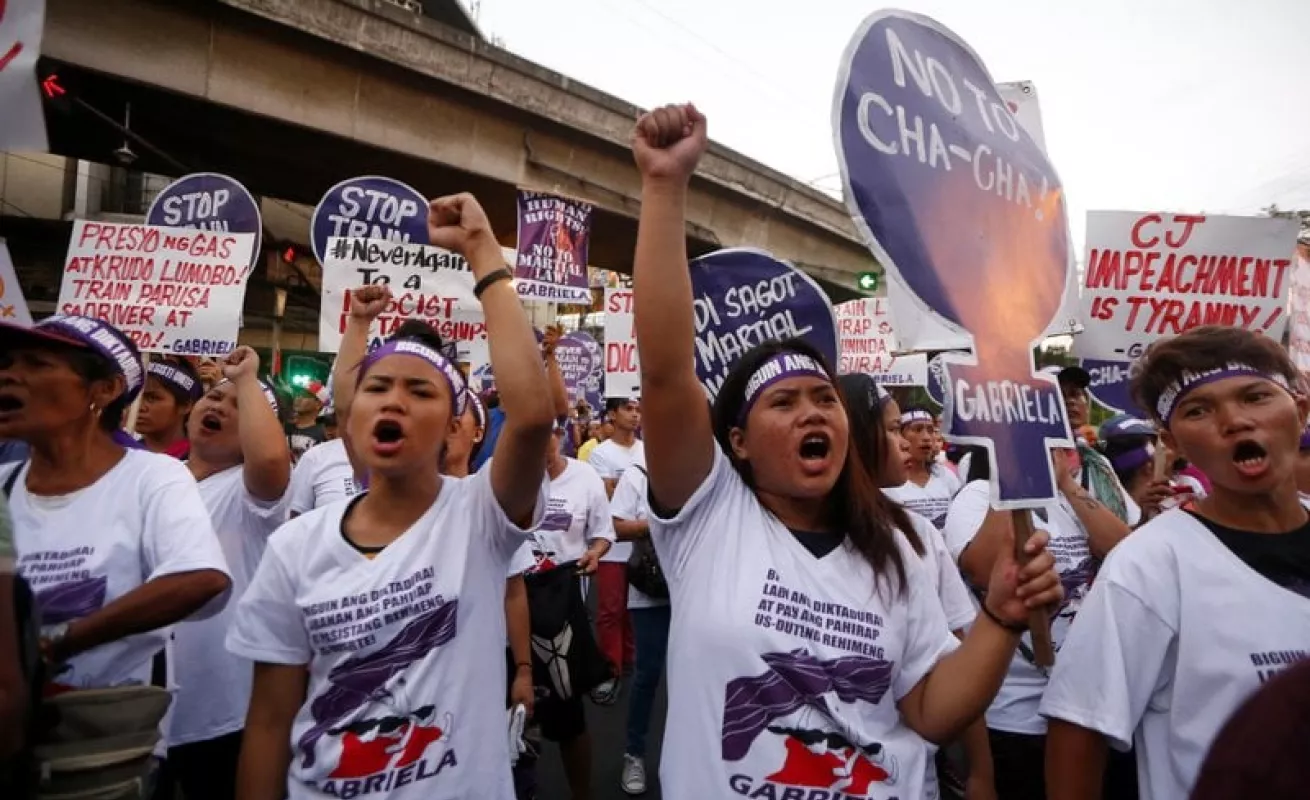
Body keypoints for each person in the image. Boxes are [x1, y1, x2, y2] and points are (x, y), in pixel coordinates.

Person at [629, 102, 1062, 800]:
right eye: (784, 402)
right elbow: (666, 372)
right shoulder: (709, 519)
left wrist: (1003, 617)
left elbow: (928, 712)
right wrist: (663, 186)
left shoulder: (908, 542)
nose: (813, 411)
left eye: (824, 398)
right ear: (736, 441)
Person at [226, 192, 555, 800]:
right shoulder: (296, 548)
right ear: (352, 418)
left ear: (458, 426)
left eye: (422, 392)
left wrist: (483, 250)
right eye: (378, 387)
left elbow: (533, 417)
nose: (395, 401)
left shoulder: (479, 520)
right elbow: (270, 722)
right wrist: (358, 325)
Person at [1041, 325, 1310, 800]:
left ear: (1301, 410)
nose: (1235, 421)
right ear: (1173, 443)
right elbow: (1078, 731)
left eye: (1255, 397)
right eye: (1199, 410)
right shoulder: (1148, 566)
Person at [0, 313, 232, 794]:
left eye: (39, 363)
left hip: (103, 751)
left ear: (103, 390)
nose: (9, 375)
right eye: (7, 362)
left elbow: (201, 577)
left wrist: (54, 645)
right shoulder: (3, 486)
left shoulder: (152, 477)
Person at [945, 439, 1131, 800]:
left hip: (1079, 710)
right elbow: (983, 571)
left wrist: (1067, 486)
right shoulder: (978, 495)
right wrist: (1015, 477)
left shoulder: (1066, 502)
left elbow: (1124, 552)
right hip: (1013, 716)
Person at [838, 374, 993, 799]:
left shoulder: (917, 535)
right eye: (893, 429)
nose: (906, 441)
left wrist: (980, 769)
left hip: (908, 774)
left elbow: (957, 645)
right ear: (854, 436)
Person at [165, 346, 292, 800]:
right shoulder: (158, 478)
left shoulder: (253, 498)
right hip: (144, 704)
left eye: (237, 404)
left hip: (222, 709)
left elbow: (273, 460)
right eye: (213, 396)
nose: (218, 404)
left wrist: (246, 378)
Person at [519, 421, 615, 800]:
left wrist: (595, 553)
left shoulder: (585, 477)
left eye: (547, 435)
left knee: (568, 713)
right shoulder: (504, 473)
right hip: (512, 599)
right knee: (515, 713)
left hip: (563, 605)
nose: (541, 445)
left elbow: (604, 533)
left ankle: (581, 794)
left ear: (559, 436)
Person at [610, 450, 667, 796]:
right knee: (647, 675)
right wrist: (659, 524)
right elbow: (615, 527)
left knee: (698, 678)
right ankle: (635, 752)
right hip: (650, 593)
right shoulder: (637, 475)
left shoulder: (702, 472)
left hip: (695, 591)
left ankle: (694, 754)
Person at [587, 396, 642, 704]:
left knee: (635, 610)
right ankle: (611, 669)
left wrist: (623, 486)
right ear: (612, 414)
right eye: (628, 409)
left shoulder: (647, 451)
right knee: (610, 611)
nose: (635, 415)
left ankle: (631, 663)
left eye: (637, 410)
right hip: (611, 544)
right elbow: (608, 494)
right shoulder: (601, 453)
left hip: (642, 549)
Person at [1046, 365, 1140, 526]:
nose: (1070, 401)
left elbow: (1127, 528)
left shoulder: (1099, 464)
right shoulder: (1022, 465)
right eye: (1059, 394)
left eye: (1075, 394)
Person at [1097, 414, 1190, 519]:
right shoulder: (1175, 508)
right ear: (1148, 466)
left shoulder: (1097, 509)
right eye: (1158, 445)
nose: (1164, 450)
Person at [884, 406, 961, 528]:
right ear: (900, 436)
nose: (926, 437)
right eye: (917, 429)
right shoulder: (888, 482)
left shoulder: (947, 477)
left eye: (930, 430)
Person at [136, 357, 202, 459]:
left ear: (185, 405)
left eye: (152, 398)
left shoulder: (202, 459)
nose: (139, 407)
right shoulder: (120, 453)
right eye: (136, 398)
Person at [285, 382, 328, 463]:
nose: (298, 398)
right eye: (297, 393)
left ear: (318, 404)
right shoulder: (285, 427)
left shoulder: (324, 432)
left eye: (305, 395)